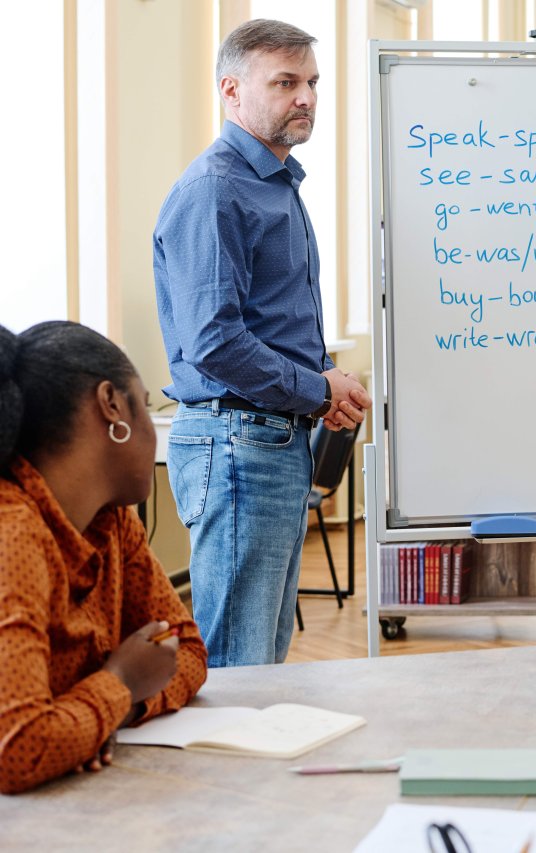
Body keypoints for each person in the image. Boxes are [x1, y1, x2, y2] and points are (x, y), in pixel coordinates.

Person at [153, 19, 370, 667]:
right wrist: (315, 387)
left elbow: (270, 321)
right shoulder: (218, 189)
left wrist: (319, 385)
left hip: (271, 439)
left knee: (263, 657)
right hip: (239, 443)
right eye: (284, 82)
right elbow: (215, 342)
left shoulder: (275, 183)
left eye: (311, 82)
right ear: (231, 90)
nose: (305, 97)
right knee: (238, 665)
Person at [0, 322, 208, 795]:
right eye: (147, 402)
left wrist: (108, 714)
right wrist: (120, 683)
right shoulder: (12, 531)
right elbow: (18, 752)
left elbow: (188, 651)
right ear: (111, 404)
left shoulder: (111, 521)